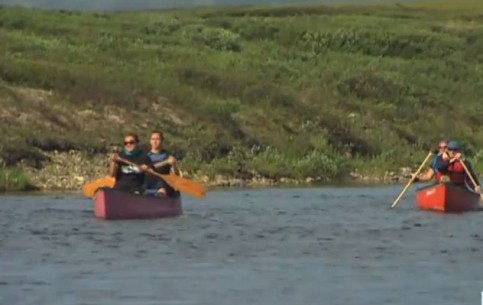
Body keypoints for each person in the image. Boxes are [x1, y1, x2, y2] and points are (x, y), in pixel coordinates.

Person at [144, 130, 180, 197]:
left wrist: (174, 165)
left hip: (163, 183)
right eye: (153, 139)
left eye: (157, 139)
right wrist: (166, 162)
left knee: (162, 185)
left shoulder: (168, 156)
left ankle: (161, 196)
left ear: (162, 141)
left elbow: (176, 175)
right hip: (148, 182)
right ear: (150, 141)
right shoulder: (145, 156)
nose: (155, 142)